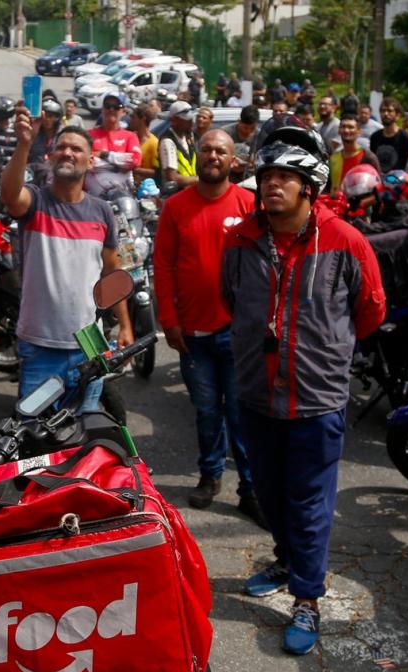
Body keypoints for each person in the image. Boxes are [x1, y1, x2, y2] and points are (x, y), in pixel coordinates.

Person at [223, 126, 385, 656]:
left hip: (316, 399)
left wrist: (324, 352)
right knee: (269, 494)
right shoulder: (240, 240)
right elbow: (231, 299)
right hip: (256, 392)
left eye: (285, 177)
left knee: (309, 503)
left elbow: (370, 311)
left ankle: (307, 599)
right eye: (266, 176)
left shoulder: (345, 241)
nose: (272, 185)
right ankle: (287, 560)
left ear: (309, 186)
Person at [154, 129, 263, 523]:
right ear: (197, 156)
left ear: (234, 161)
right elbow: (163, 266)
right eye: (207, 149)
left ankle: (251, 489)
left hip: (239, 334)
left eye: (221, 151)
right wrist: (169, 321)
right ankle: (210, 475)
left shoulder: (250, 205)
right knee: (206, 411)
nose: (213, 156)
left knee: (241, 414)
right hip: (193, 334)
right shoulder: (175, 207)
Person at [0, 108, 133, 413]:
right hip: (39, 343)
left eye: (76, 148)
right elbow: (9, 195)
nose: (68, 153)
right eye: (61, 147)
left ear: (91, 160)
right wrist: (24, 144)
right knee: (37, 429)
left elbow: (112, 274)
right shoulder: (35, 201)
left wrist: (125, 326)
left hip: (89, 343)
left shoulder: (102, 211)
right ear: (50, 156)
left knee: (88, 426)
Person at [86, 93, 142, 198]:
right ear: (102, 110)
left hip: (123, 197)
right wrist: (118, 164)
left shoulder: (130, 136)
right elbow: (86, 162)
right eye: (107, 106)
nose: (111, 110)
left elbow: (135, 161)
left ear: (123, 112)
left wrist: (103, 154)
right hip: (93, 197)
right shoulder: (88, 135)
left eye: (116, 107)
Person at [328, 116, 380, 193]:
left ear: (359, 131)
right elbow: (328, 186)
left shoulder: (368, 157)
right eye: (343, 127)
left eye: (351, 127)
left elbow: (378, 186)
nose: (346, 130)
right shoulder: (333, 158)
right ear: (339, 131)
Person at [159, 101, 198, 191]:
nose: (191, 122)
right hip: (176, 194)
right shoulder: (168, 141)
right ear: (174, 120)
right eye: (187, 120)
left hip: (189, 191)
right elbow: (172, 177)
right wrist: (198, 180)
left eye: (191, 119)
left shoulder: (188, 137)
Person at [369, 97, 408, 173]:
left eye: (389, 111)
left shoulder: (405, 138)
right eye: (383, 111)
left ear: (397, 115)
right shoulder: (375, 137)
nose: (386, 114)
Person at [228, 105, 260, 182]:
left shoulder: (260, 135)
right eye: (245, 127)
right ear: (239, 121)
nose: (248, 131)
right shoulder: (225, 134)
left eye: (252, 128)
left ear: (256, 124)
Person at [129, 103, 159, 183]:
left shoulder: (154, 143)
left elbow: (157, 173)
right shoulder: (130, 138)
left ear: (143, 119)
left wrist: (135, 169)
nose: (130, 119)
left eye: (133, 117)